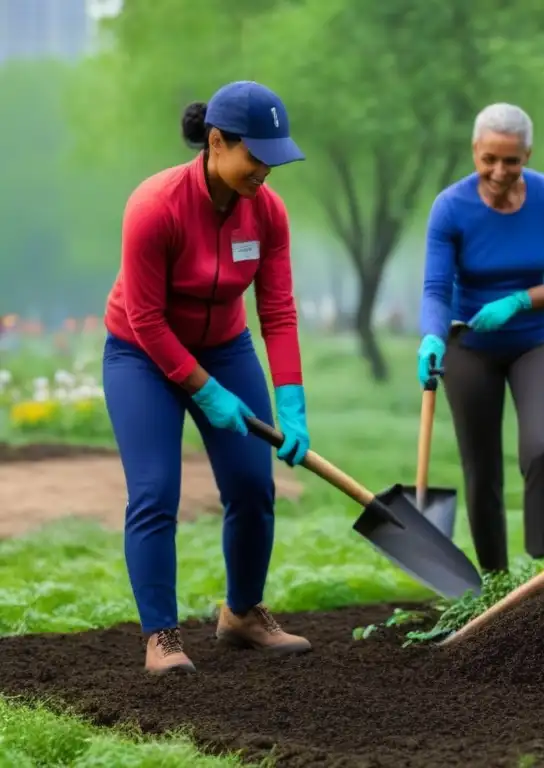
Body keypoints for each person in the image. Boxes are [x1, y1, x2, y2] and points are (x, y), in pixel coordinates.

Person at [103, 80, 313, 675]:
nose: (267, 171)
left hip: (224, 348)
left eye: (277, 158)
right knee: (155, 491)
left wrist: (291, 401)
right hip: (140, 355)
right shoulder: (155, 207)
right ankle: (161, 638)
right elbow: (144, 317)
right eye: (258, 157)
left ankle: (242, 614)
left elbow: (277, 310)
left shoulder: (268, 211)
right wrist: (201, 388)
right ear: (217, 143)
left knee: (253, 485)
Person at [417, 103, 544, 573]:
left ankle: (541, 564)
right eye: (488, 158)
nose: (498, 171)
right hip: (469, 343)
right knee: (482, 468)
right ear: (475, 151)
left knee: (543, 450)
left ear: (528, 155)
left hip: (537, 340)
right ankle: (495, 580)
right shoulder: (451, 207)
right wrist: (432, 338)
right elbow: (436, 288)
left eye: (511, 161)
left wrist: (518, 301)